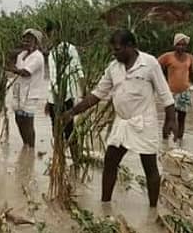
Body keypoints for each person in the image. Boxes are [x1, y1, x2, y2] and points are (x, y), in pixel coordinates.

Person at [63, 30, 176, 207]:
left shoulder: (149, 64)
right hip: (122, 123)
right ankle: (105, 203)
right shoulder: (113, 68)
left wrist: (171, 120)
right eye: (113, 50)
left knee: (149, 166)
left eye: (117, 49)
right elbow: (97, 95)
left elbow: (165, 93)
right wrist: (72, 112)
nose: (114, 53)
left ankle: (153, 209)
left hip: (143, 123)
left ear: (130, 46)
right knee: (110, 160)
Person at [158, 33, 193, 145]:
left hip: (185, 93)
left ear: (186, 46)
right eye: (179, 44)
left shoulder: (190, 58)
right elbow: (155, 67)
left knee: (181, 120)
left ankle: (179, 145)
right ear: (175, 45)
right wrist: (161, 83)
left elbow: (192, 75)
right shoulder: (167, 57)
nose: (181, 47)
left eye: (183, 45)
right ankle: (165, 145)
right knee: (169, 119)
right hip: (170, 93)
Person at [44, 37, 83, 150]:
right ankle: (59, 160)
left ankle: (76, 162)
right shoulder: (52, 53)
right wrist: (48, 100)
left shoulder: (70, 49)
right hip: (53, 99)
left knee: (69, 131)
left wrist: (84, 92)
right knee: (56, 131)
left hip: (67, 97)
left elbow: (79, 70)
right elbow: (52, 79)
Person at [8, 28, 45, 148]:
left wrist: (10, 68)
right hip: (19, 92)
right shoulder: (21, 55)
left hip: (30, 94)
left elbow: (26, 73)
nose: (26, 43)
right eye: (24, 40)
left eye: (29, 41)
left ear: (36, 42)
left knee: (28, 123)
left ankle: (31, 147)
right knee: (19, 120)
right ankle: (26, 145)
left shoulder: (38, 57)